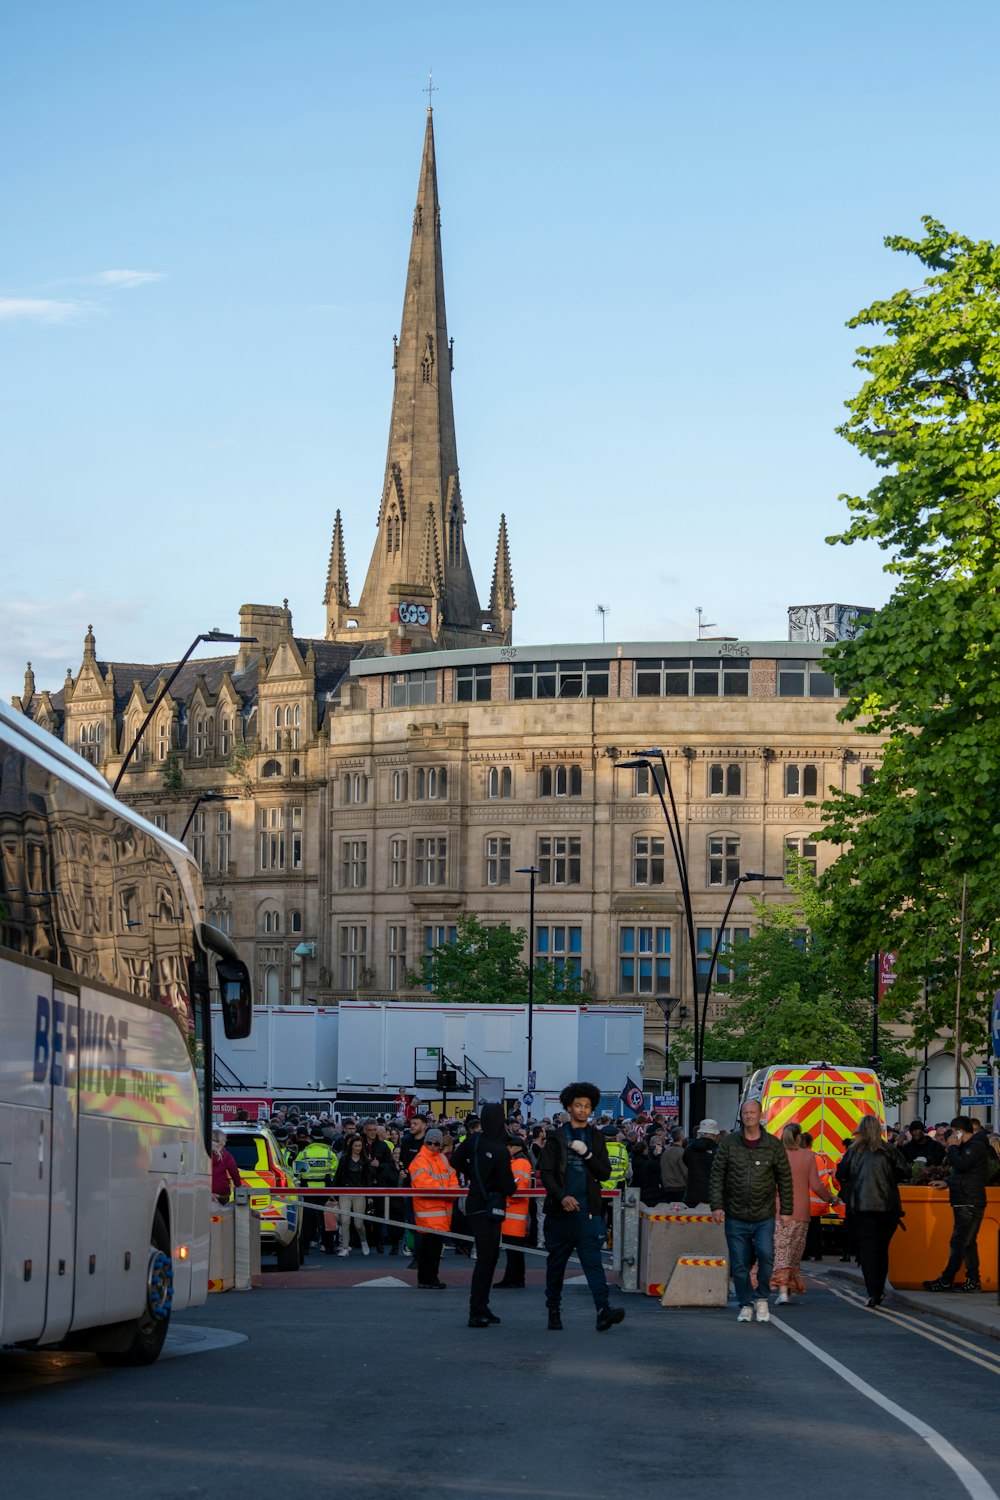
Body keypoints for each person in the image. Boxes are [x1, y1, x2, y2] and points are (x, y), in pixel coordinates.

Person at [537, 1081, 626, 1333]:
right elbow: (546, 1173)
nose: (583, 1110)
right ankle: (553, 1309)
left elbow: (605, 1171)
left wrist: (587, 1154)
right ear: (568, 1106)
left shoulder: (596, 1137)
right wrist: (562, 1196)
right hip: (560, 1213)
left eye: (587, 1106)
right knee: (556, 1266)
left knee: (593, 1263)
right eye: (578, 1105)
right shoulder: (556, 1137)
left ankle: (603, 1310)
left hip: (589, 1212)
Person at [710, 1098, 793, 1323]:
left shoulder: (773, 1145)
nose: (748, 1116)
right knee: (739, 1264)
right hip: (735, 1215)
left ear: (760, 1115)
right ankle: (746, 1304)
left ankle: (762, 1297)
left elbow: (784, 1178)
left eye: (752, 1112)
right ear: (741, 1116)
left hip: (763, 1215)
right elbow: (717, 1175)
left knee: (766, 1255)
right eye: (745, 1112)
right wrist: (716, 1206)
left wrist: (786, 1210)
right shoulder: (729, 1144)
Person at [452, 1101, 517, 1327]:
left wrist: (474, 1176)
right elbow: (509, 1187)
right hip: (490, 1205)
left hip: (474, 1202)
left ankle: (482, 1305)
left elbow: (454, 1160)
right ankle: (476, 1309)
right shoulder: (500, 1149)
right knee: (487, 1259)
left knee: (487, 1258)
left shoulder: (473, 1140)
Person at [836, 1113, 910, 1306]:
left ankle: (873, 1292)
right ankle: (879, 1288)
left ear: (860, 1130)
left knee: (867, 1251)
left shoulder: (852, 1151)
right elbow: (905, 1172)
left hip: (861, 1208)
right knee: (881, 1250)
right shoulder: (888, 1150)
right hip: (887, 1208)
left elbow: (840, 1173)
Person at [923, 1115, 989, 1292]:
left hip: (969, 1202)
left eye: (953, 1133)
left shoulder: (976, 1146)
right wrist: (947, 1182)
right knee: (967, 1243)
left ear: (959, 1132)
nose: (952, 1136)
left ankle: (946, 1280)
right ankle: (973, 1280)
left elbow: (962, 1164)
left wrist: (952, 1147)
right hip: (966, 1200)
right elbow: (962, 1172)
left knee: (958, 1243)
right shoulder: (970, 1146)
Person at [771, 1121, 831, 1304]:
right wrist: (831, 1198)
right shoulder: (808, 1156)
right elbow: (816, 1185)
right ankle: (787, 1289)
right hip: (802, 1212)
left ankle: (783, 1291)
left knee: (782, 1250)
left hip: (780, 1210)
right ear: (799, 1137)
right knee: (795, 1252)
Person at [409, 1128, 460, 1290]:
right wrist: (446, 1192)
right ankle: (428, 1279)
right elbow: (423, 1183)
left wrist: (449, 1192)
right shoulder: (420, 1159)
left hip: (441, 1212)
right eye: (429, 1143)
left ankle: (429, 1279)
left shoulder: (443, 1159)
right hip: (428, 1212)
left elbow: (453, 1178)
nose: (432, 1146)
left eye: (436, 1143)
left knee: (434, 1249)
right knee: (429, 1249)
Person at [494, 1132, 534, 1289]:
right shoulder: (518, 1162)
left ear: (515, 1147)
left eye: (508, 1146)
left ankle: (513, 1278)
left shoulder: (520, 1163)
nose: (506, 1149)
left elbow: (517, 1188)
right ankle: (515, 1278)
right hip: (514, 1212)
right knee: (514, 1250)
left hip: (514, 1211)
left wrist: (505, 1199)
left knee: (514, 1250)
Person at [332, 1133, 374, 1257]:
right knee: (344, 1221)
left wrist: (370, 1195)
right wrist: (333, 1193)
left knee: (358, 1224)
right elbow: (338, 1176)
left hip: (360, 1193)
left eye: (360, 1145)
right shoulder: (344, 1159)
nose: (358, 1148)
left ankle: (363, 1241)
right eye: (356, 1146)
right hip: (345, 1192)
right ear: (351, 1146)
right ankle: (345, 1247)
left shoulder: (365, 1161)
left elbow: (368, 1179)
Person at [682, 1120, 720, 1208]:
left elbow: (686, 1162)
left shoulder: (689, 1148)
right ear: (714, 1135)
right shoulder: (718, 1150)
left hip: (692, 1196)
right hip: (711, 1196)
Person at [211, 1129, 241, 1203]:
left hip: (202, 1190)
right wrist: (238, 1186)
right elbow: (234, 1172)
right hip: (221, 1191)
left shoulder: (201, 1154)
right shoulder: (226, 1155)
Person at [659, 1127, 688, 1203]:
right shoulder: (681, 1152)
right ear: (681, 1137)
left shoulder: (665, 1152)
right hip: (680, 1187)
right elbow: (686, 1172)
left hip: (667, 1187)